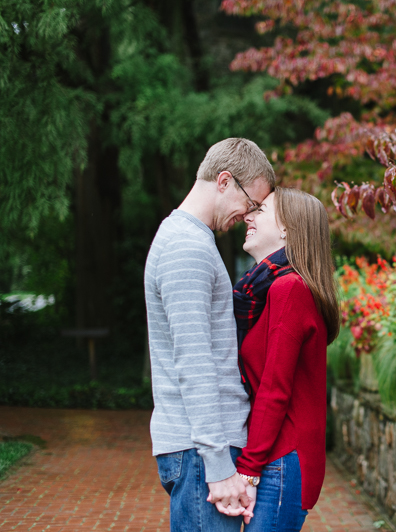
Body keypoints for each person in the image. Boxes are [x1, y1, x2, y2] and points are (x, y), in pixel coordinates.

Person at [144, 138, 274, 531]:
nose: (247, 216)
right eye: (250, 204)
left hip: (198, 448)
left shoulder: (192, 239)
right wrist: (218, 466)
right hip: (202, 453)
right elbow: (195, 361)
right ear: (223, 181)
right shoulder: (188, 247)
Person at [232, 187, 340, 531]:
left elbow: (274, 389)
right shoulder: (275, 289)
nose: (247, 216)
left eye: (260, 210)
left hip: (282, 460)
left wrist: (248, 470)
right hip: (280, 457)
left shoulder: (289, 289)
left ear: (287, 229)